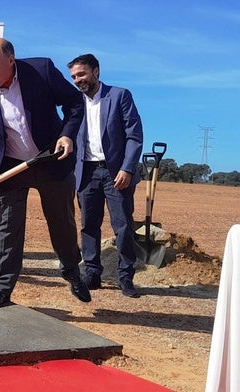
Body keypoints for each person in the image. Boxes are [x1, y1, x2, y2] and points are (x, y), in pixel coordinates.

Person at [0, 37, 91, 308]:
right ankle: (1, 288)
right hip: (11, 167)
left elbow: (75, 103)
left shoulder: (40, 71)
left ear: (11, 61)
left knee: (62, 224)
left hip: (51, 159)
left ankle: (71, 268)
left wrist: (67, 135)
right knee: (8, 227)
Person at [67, 54, 143, 298]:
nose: (78, 80)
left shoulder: (120, 96)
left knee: (123, 226)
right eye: (74, 76)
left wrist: (127, 168)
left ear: (96, 71)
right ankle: (92, 273)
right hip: (86, 172)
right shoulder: (74, 102)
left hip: (116, 173)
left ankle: (125, 276)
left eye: (82, 74)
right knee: (88, 225)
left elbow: (134, 135)